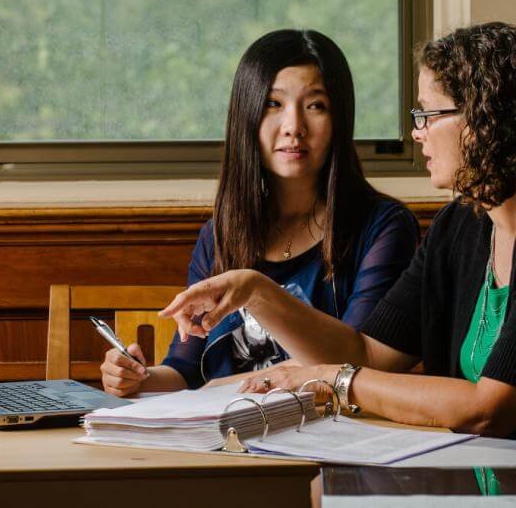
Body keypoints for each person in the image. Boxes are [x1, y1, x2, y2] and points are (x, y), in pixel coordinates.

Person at [160, 22, 516, 463]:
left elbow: (487, 409)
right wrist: (256, 290)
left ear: (486, 119)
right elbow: (368, 352)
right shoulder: (463, 224)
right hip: (494, 495)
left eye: (429, 115)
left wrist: (329, 379)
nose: (417, 134)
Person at [100, 29, 419, 395]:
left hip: (326, 438)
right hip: (225, 435)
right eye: (273, 104)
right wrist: (137, 377)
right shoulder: (221, 234)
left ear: (339, 119)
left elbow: (357, 365)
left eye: (316, 105)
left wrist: (256, 293)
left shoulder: (382, 227)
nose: (293, 127)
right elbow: (186, 370)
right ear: (247, 116)